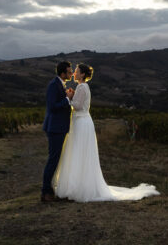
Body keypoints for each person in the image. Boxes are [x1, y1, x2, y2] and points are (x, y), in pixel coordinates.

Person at [53, 63, 159, 202]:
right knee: (81, 154)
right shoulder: (84, 87)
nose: (74, 73)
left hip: (81, 122)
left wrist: (69, 97)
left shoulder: (82, 86)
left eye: (77, 71)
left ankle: (77, 188)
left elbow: (78, 106)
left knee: (79, 153)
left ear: (83, 74)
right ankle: (78, 186)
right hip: (83, 122)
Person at [41, 60, 74, 202]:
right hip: (55, 128)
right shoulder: (54, 85)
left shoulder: (60, 84)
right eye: (69, 71)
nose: (71, 73)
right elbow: (53, 106)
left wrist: (67, 97)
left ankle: (49, 190)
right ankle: (46, 192)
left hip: (58, 127)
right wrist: (67, 98)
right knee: (53, 160)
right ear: (62, 73)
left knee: (55, 159)